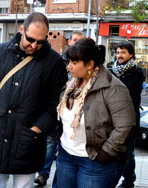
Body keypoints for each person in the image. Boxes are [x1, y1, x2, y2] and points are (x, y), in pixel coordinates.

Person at [0, 12, 68, 188]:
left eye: (40, 41)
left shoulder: (54, 62)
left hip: (29, 141)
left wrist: (38, 128)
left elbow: (56, 103)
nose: (34, 45)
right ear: (21, 30)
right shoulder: (0, 52)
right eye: (31, 39)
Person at [54, 38, 135, 188]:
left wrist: (105, 153)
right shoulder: (72, 84)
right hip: (66, 156)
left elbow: (126, 126)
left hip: (95, 162)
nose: (69, 67)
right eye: (69, 62)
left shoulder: (113, 88)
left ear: (90, 64)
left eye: (74, 62)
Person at [35, 30, 85, 187]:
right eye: (74, 40)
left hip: (76, 123)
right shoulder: (59, 61)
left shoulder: (88, 66)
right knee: (51, 144)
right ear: (69, 41)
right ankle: (44, 173)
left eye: (79, 41)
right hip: (57, 111)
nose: (76, 43)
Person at [111, 41, 145, 188]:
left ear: (131, 54)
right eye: (118, 52)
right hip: (111, 118)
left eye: (123, 52)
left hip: (129, 119)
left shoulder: (138, 72)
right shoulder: (111, 70)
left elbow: (129, 92)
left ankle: (129, 180)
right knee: (112, 152)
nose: (119, 55)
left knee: (127, 154)